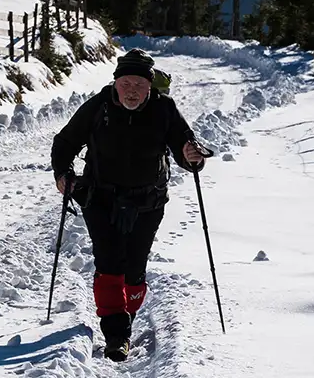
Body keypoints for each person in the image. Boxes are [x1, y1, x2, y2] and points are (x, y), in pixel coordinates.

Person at [50, 48, 206, 360]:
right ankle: (116, 334)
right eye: (125, 84)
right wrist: (62, 173)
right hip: (99, 197)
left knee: (134, 268)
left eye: (138, 86)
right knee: (108, 261)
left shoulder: (164, 110)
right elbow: (65, 141)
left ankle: (127, 314)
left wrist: (193, 157)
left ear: (150, 87)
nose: (131, 92)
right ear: (115, 83)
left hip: (147, 201)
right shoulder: (99, 106)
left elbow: (185, 147)